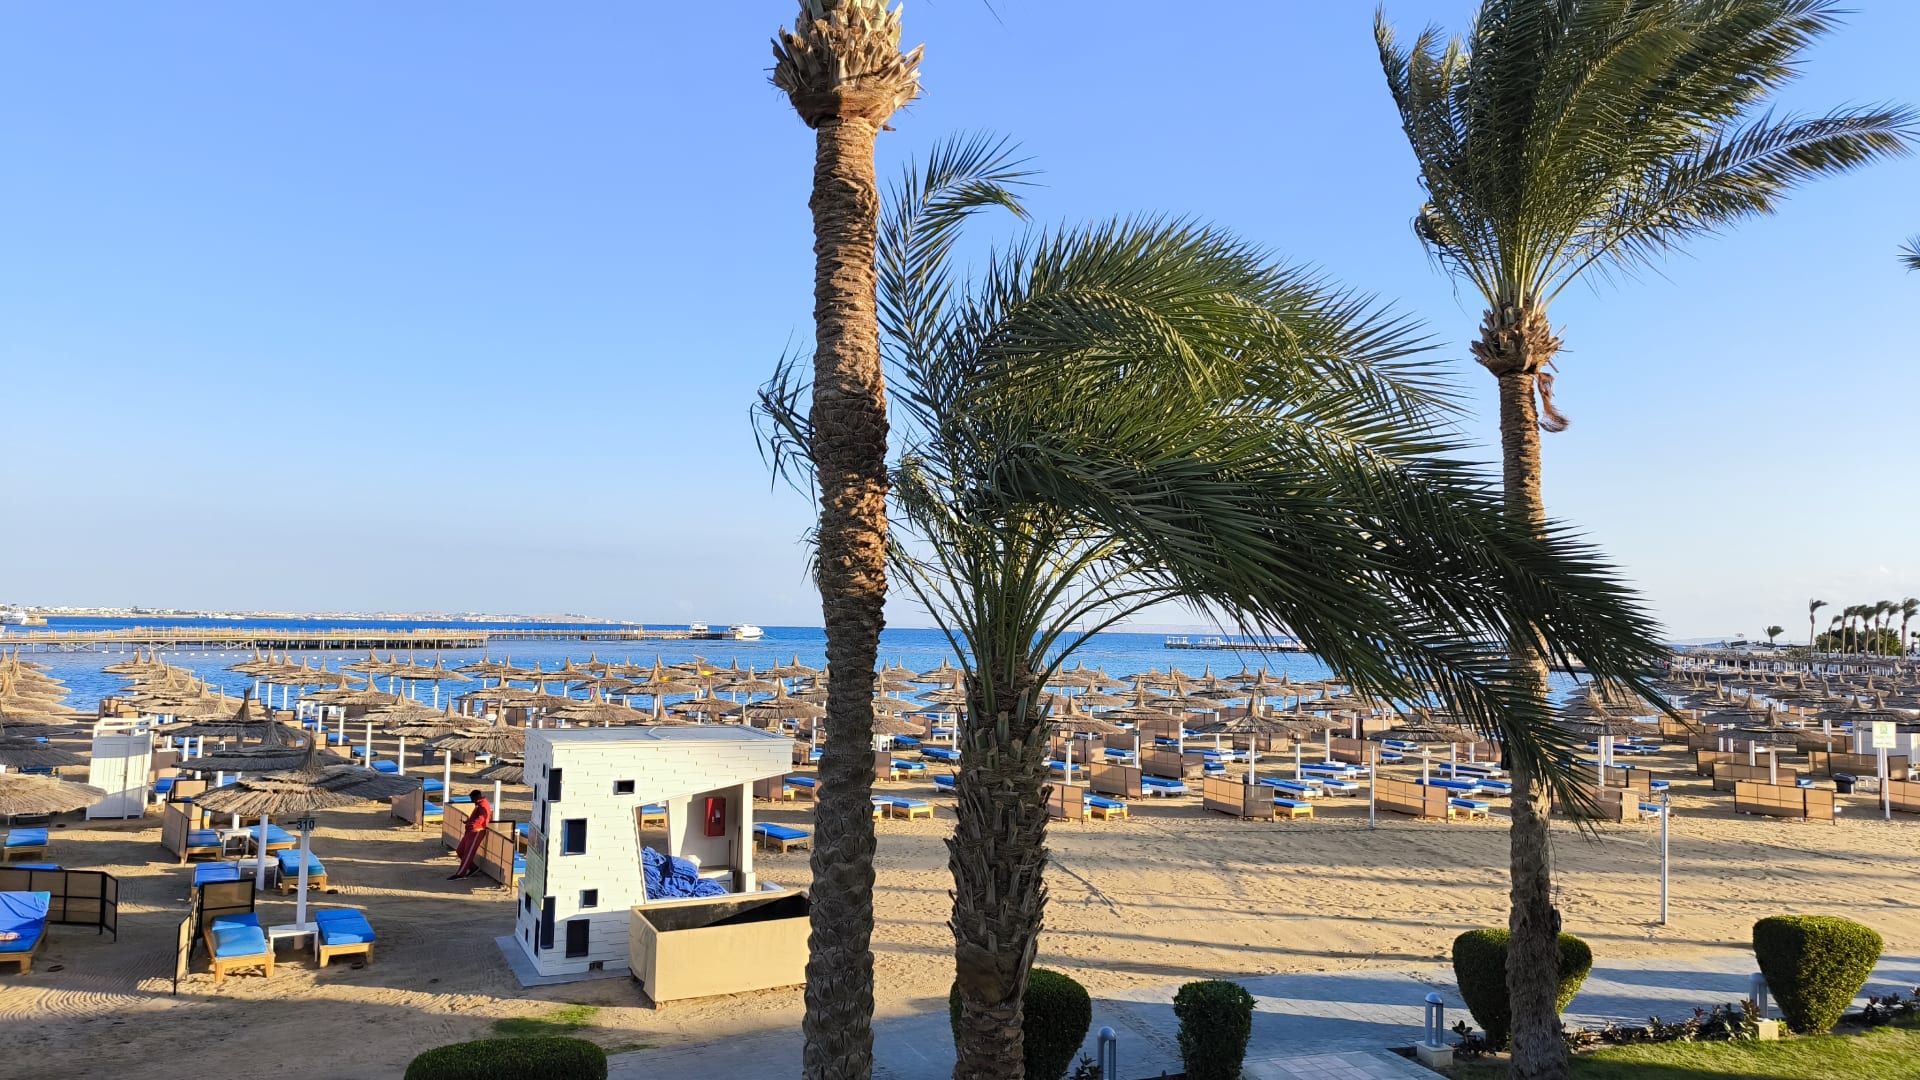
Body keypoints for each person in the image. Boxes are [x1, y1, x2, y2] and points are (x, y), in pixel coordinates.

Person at [450, 789, 492, 879]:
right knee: (460, 851)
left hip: (476, 831)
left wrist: (472, 825)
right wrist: (469, 822)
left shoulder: (483, 805)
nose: (471, 801)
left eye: (472, 799)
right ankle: (473, 868)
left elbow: (482, 818)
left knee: (468, 853)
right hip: (470, 830)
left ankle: (460, 874)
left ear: (477, 797)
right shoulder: (479, 804)